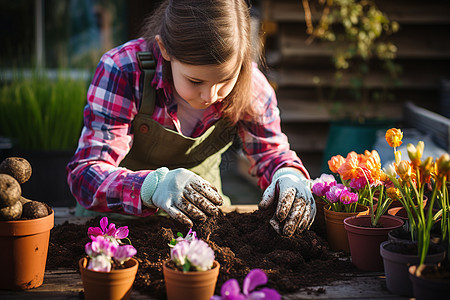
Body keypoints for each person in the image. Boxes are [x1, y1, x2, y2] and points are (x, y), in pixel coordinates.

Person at [67, 0, 316, 237]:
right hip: (112, 230)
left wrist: (289, 176)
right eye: (195, 81)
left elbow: (271, 155)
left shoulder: (252, 87)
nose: (210, 95)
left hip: (202, 231)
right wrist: (153, 186)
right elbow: (85, 176)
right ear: (164, 49)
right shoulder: (123, 71)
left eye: (224, 80)